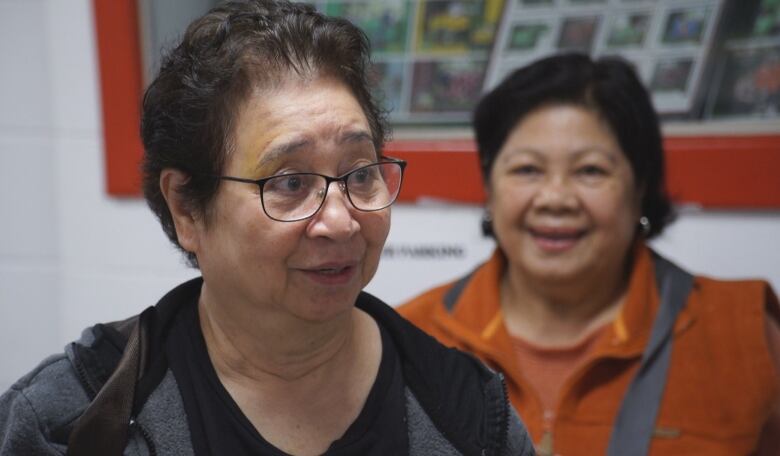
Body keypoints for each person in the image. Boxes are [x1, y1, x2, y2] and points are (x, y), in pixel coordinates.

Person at [0, 2, 534, 455]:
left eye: (361, 173)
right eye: (291, 182)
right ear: (187, 208)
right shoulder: (74, 420)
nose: (341, 220)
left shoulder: (469, 417)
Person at [399, 53, 780, 456]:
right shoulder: (411, 341)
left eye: (591, 171)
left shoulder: (744, 333)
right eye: (527, 169)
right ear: (489, 185)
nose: (556, 198)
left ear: (640, 188)